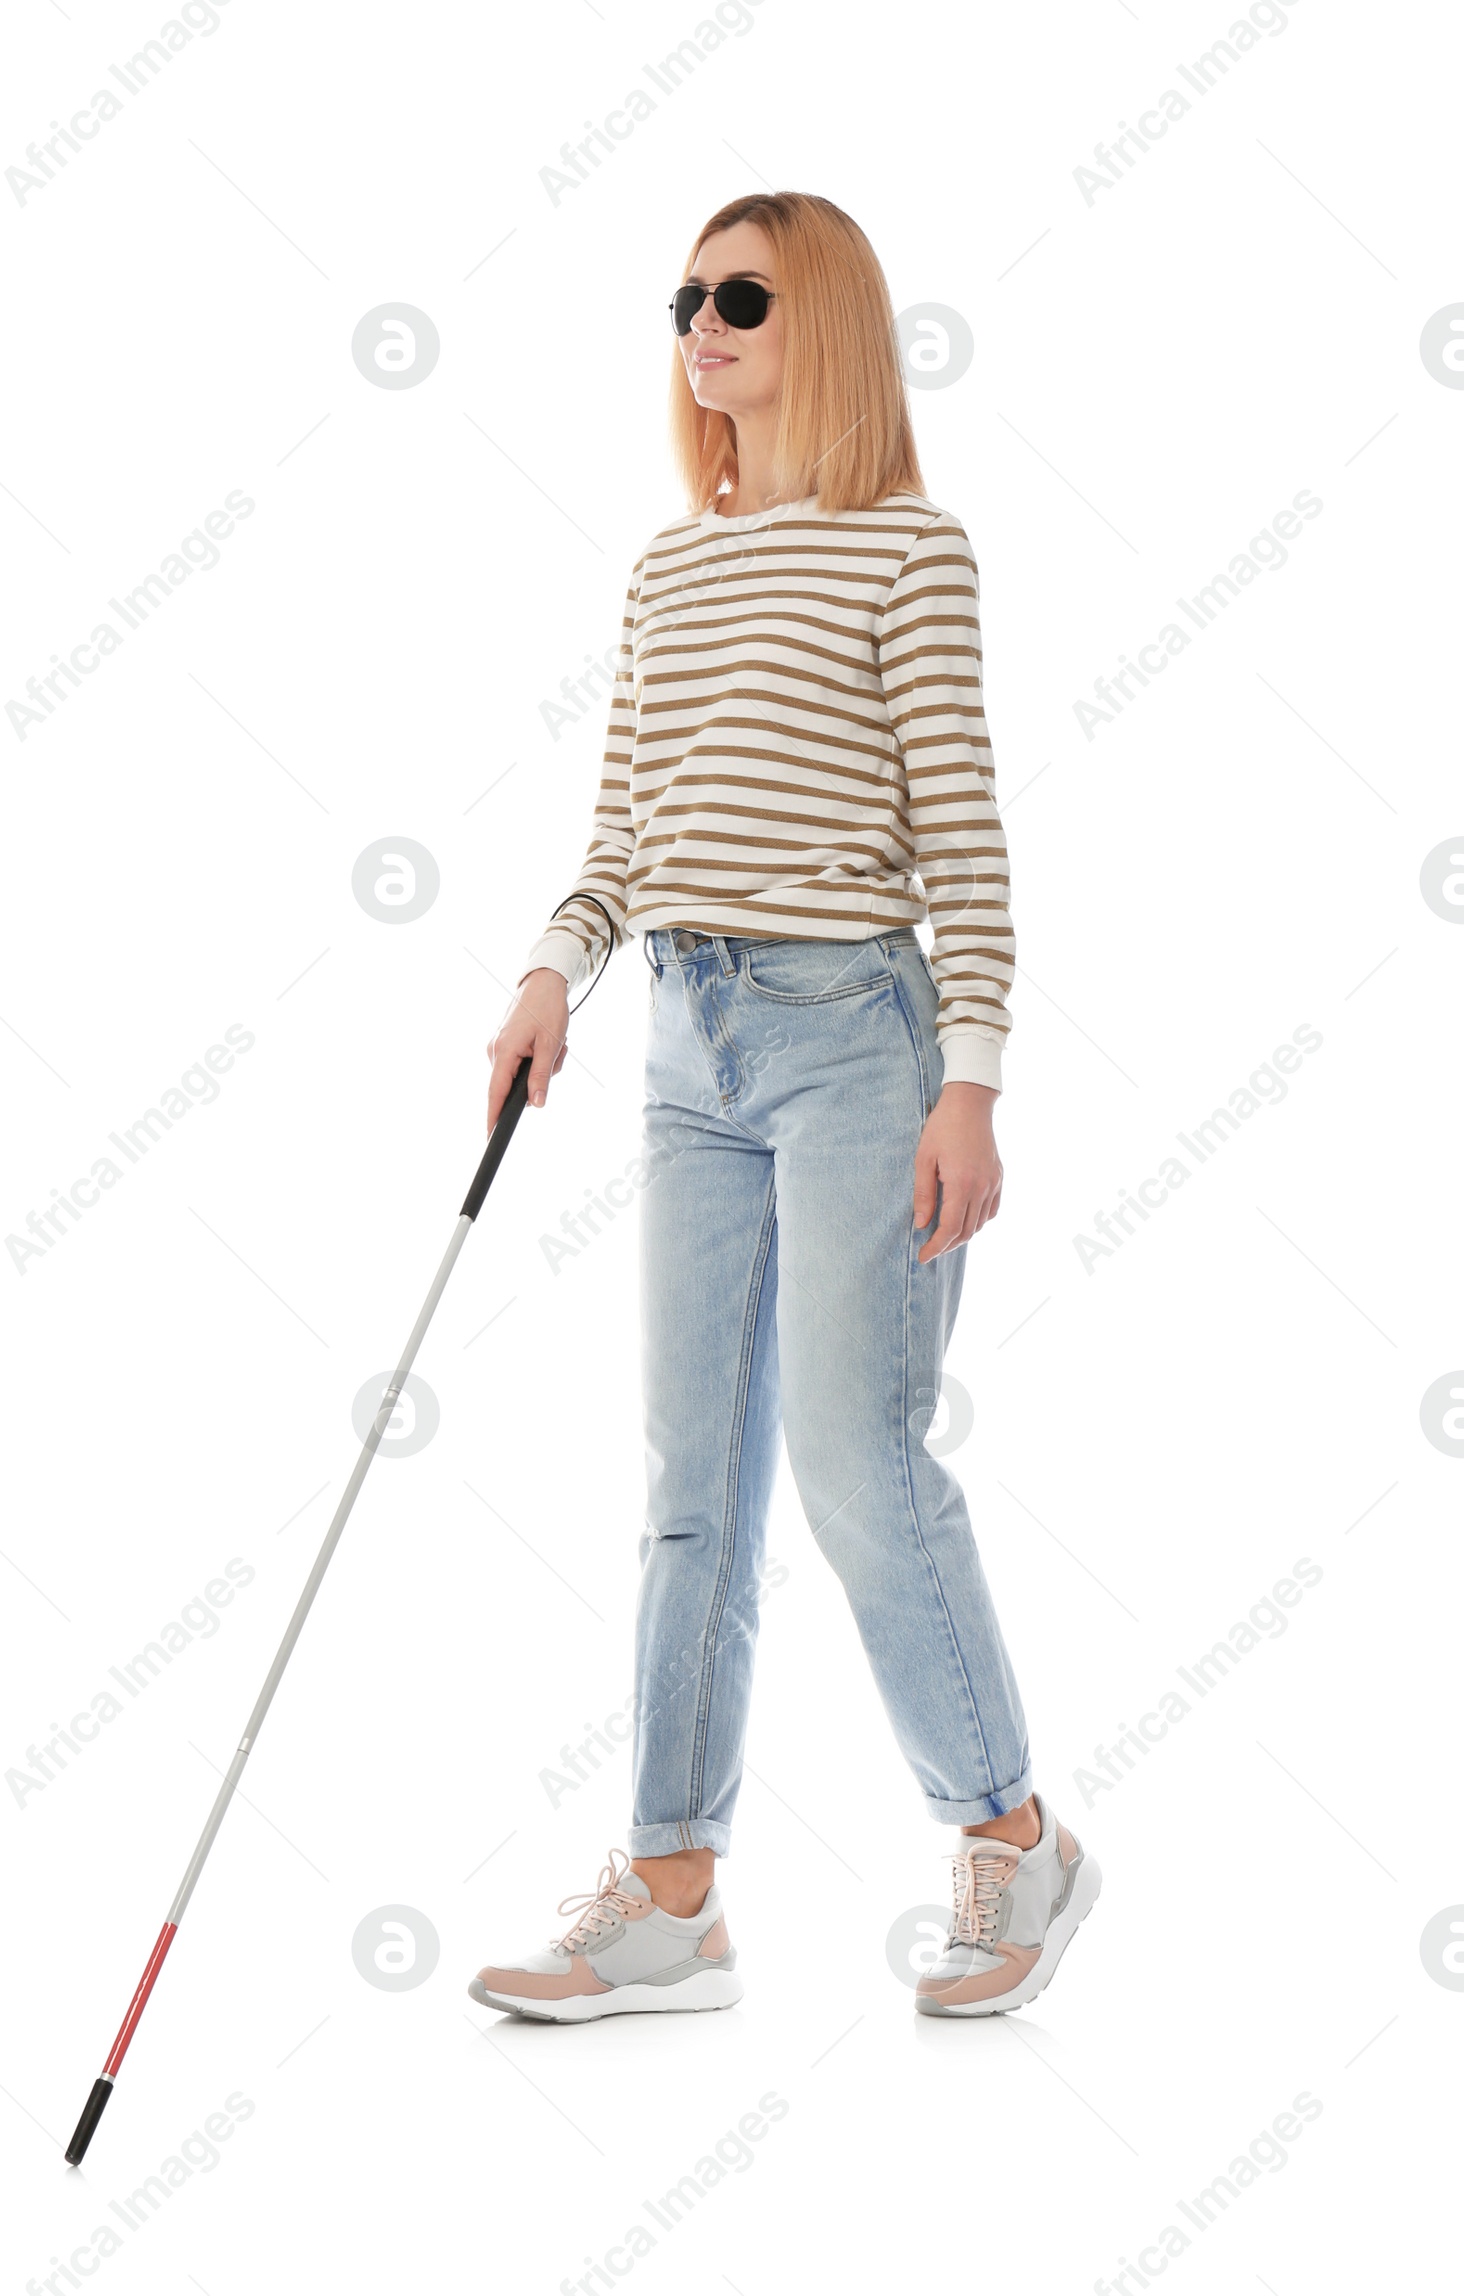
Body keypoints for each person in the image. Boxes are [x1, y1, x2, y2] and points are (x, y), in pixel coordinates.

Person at [471, 192, 1100, 2024]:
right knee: (691, 1489)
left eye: (739, 295)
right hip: (688, 1047)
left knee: (856, 1462)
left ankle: (1016, 1840)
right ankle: (672, 1891)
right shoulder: (673, 568)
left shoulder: (913, 547)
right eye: (683, 298)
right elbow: (625, 828)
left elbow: (966, 844)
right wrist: (547, 970)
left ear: (821, 316)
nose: (702, 324)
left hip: (856, 1049)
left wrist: (968, 1082)